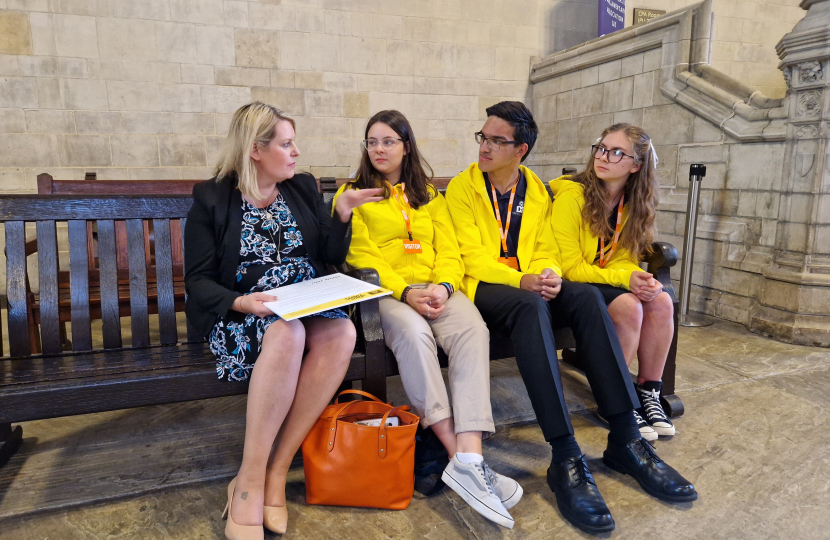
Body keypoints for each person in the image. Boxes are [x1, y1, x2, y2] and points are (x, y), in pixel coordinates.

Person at [444, 101, 696, 535]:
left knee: (584, 299)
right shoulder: (464, 188)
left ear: (520, 149)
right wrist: (522, 280)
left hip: (528, 282)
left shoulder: (537, 191)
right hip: (484, 285)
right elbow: (470, 256)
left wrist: (548, 274)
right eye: (482, 137)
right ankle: (565, 455)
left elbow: (547, 248)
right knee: (529, 306)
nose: (484, 147)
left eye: (495, 140)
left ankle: (626, 438)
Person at [184, 102, 381, 540]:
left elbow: (327, 258)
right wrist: (243, 304)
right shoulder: (212, 198)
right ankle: (250, 482)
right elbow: (197, 281)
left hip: (302, 304)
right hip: (243, 314)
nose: (296, 153)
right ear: (256, 150)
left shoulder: (302, 188)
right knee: (286, 331)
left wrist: (342, 213)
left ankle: (276, 470)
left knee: (343, 331)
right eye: (286, 144)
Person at [333, 110, 521, 529]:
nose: (379, 149)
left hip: (436, 290)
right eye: (372, 142)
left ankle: (470, 456)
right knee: (416, 336)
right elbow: (361, 257)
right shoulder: (354, 193)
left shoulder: (429, 196)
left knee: (473, 328)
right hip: (386, 295)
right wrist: (406, 292)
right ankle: (458, 455)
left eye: (388, 141)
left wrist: (445, 287)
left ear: (406, 146)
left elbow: (450, 249)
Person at [549, 123, 676, 438]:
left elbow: (622, 257)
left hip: (601, 278)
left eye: (617, 152)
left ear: (636, 166)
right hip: (570, 285)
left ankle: (647, 392)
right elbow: (570, 267)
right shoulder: (572, 196)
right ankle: (616, 401)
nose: (604, 157)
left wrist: (636, 276)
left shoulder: (632, 203)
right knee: (629, 306)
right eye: (602, 148)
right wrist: (625, 279)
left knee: (660, 301)